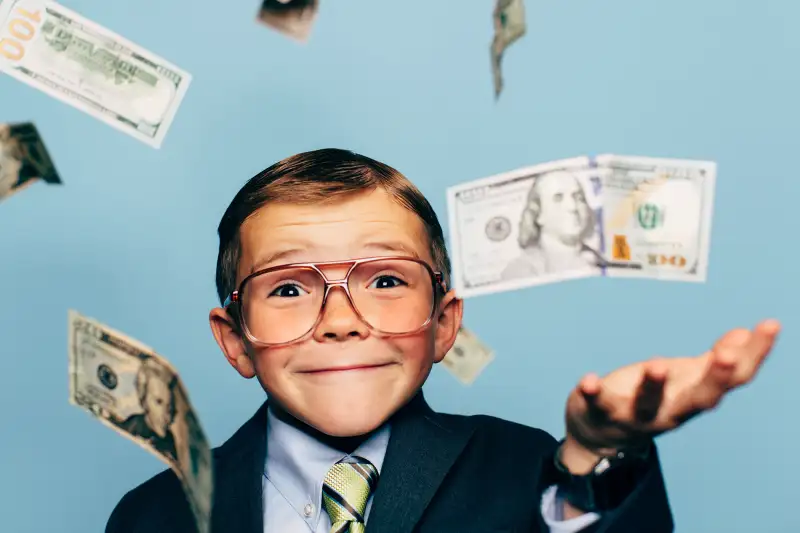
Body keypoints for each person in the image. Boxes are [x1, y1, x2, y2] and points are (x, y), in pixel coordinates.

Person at [105, 149, 780, 533]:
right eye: (288, 288)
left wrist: (597, 452)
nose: (341, 319)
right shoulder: (153, 515)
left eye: (387, 280)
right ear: (235, 340)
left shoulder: (528, 471)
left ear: (445, 324)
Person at [502, 170, 606, 281]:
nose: (572, 207)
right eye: (558, 198)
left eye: (578, 198)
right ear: (538, 214)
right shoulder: (519, 271)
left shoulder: (600, 262)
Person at [118, 357, 179, 463]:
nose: (166, 415)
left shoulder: (169, 439)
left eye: (169, 407)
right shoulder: (133, 426)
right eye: (158, 402)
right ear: (143, 401)